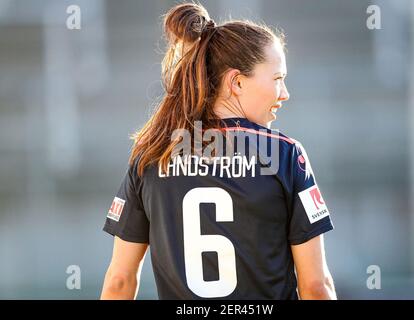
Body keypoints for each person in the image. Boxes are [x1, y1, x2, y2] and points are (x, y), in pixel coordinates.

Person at [101, 2, 336, 300]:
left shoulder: (152, 154)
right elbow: (316, 286)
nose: (285, 93)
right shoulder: (284, 154)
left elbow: (119, 282)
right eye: (278, 79)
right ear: (236, 82)